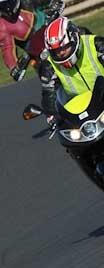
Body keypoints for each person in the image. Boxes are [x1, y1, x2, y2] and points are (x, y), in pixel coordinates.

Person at [41, 16, 104, 178]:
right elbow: (49, 93)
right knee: (73, 145)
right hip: (82, 114)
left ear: (74, 39)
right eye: (56, 51)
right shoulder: (50, 66)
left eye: (64, 48)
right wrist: (51, 115)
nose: (61, 53)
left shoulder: (95, 45)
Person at [0, 0, 65, 81]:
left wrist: (53, 5)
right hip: (39, 55)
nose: (8, 8)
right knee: (49, 78)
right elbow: (8, 52)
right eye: (3, 5)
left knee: (81, 32)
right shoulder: (1, 27)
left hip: (57, 35)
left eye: (9, 2)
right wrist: (15, 68)